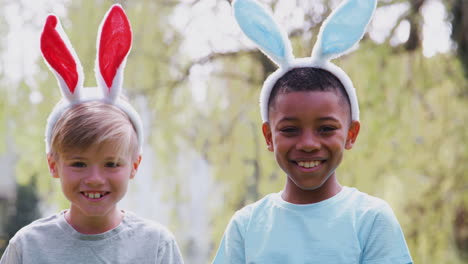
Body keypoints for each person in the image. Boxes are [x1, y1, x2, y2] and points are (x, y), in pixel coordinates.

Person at [213, 0, 413, 263]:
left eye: (326, 128)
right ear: (268, 136)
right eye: (290, 129)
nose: (308, 143)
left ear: (351, 134)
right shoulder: (246, 227)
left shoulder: (370, 220)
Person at [0, 4, 183, 264]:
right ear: (53, 164)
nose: (95, 179)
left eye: (111, 163)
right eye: (79, 163)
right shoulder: (28, 246)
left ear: (134, 165)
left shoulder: (156, 245)